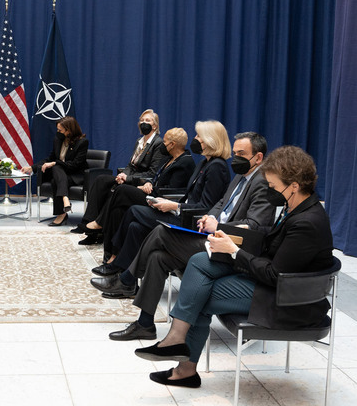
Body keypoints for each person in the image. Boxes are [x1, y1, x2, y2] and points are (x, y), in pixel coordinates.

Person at [134, 146, 333, 389]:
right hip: (274, 281)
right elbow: (273, 242)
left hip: (287, 299)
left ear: (293, 185)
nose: (270, 191)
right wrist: (235, 235)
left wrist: (234, 251)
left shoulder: (307, 222)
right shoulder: (296, 206)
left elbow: (274, 275)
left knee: (200, 294)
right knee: (198, 261)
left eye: (273, 186)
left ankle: (184, 366)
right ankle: (177, 343)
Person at [104, 132, 276, 340]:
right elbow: (222, 203)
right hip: (212, 236)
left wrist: (218, 225)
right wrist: (208, 217)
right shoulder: (241, 176)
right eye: (235, 153)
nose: (236, 158)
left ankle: (127, 279)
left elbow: (254, 227)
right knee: (158, 257)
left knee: (161, 232)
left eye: (241, 154)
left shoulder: (263, 182)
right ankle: (145, 324)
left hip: (230, 248)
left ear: (258, 157)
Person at [92, 120, 232, 297]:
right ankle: (127, 281)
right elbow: (190, 196)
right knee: (135, 227)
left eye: (199, 136)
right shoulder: (205, 163)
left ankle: (117, 264)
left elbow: (206, 207)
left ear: (210, 139)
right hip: (181, 213)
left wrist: (174, 205)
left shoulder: (217, 167)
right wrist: (165, 202)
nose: (195, 139)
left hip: (190, 223)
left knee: (134, 210)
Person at [79, 127, 194, 246]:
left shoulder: (185, 162)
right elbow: (155, 176)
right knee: (117, 208)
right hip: (150, 191)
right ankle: (111, 251)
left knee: (121, 190)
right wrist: (148, 183)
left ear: (172, 144)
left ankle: (100, 222)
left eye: (164, 142)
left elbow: (170, 190)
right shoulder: (169, 158)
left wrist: (145, 187)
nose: (163, 144)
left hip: (158, 200)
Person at [74, 109, 165, 234]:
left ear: (155, 126)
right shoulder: (139, 141)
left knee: (116, 189)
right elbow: (131, 165)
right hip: (129, 177)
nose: (143, 123)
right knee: (101, 180)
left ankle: (99, 224)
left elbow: (152, 173)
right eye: (142, 120)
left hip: (141, 183)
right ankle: (87, 221)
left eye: (147, 120)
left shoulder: (158, 143)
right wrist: (123, 174)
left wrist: (127, 179)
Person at [21, 116, 88, 226]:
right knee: (56, 168)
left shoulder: (82, 142)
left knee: (54, 178)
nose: (58, 132)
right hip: (60, 174)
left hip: (74, 174)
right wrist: (32, 168)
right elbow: (50, 158)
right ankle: (65, 200)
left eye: (60, 130)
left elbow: (75, 165)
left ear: (69, 130)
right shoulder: (58, 139)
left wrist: (54, 163)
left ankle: (61, 214)